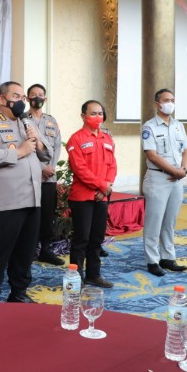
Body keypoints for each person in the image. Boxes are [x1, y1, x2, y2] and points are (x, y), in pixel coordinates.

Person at [0, 81, 51, 303]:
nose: (21, 101)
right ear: (2, 99)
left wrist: (37, 143)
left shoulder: (27, 123)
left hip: (31, 200)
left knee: (25, 253)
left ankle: (19, 293)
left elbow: (46, 154)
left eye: (22, 97)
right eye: (16, 96)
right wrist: (20, 151)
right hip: (4, 203)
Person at [66, 100, 117, 289]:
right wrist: (102, 186)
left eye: (100, 113)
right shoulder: (76, 139)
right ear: (83, 116)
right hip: (82, 197)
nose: (97, 117)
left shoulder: (107, 138)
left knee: (96, 239)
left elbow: (112, 165)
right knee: (82, 239)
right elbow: (79, 169)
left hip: (101, 196)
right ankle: (75, 277)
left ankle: (93, 275)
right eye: (93, 113)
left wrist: (106, 187)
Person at [142, 88, 187, 277]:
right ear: (157, 104)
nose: (170, 103)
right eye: (166, 100)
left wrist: (183, 169)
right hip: (158, 179)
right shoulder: (149, 127)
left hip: (177, 179)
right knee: (154, 221)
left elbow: (186, 150)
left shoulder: (179, 125)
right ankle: (152, 260)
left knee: (170, 221)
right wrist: (174, 171)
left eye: (172, 100)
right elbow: (152, 155)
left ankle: (168, 257)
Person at [27, 83, 65, 266]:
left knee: (48, 214)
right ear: (28, 98)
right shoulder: (22, 120)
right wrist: (41, 167)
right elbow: (25, 148)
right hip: (30, 176)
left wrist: (50, 167)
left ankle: (46, 250)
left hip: (49, 177)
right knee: (31, 214)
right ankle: (28, 250)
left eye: (40, 94)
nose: (37, 97)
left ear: (45, 98)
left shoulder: (51, 121)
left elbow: (57, 146)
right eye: (33, 94)